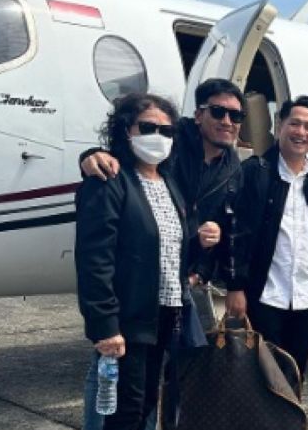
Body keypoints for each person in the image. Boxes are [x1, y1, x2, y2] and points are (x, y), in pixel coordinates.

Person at [78, 78, 246, 430]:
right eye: (148, 128)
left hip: (166, 314)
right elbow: (95, 261)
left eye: (166, 131)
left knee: (144, 406)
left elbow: (174, 243)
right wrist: (105, 326)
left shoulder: (171, 182)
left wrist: (202, 247)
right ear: (126, 130)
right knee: (123, 412)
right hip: (132, 316)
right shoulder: (111, 180)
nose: (159, 136)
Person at [226, 95, 308, 377]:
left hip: (305, 297)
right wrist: (236, 286)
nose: (301, 132)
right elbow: (237, 232)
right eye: (294, 124)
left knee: (294, 375)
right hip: (264, 296)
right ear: (280, 125)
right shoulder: (255, 172)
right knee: (261, 377)